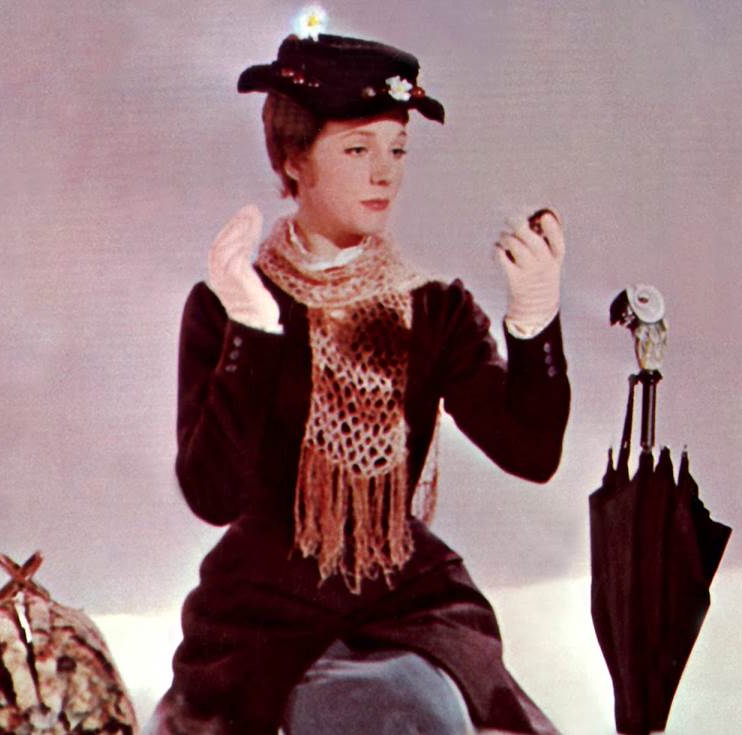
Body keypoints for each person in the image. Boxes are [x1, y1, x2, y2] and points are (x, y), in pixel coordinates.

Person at [150, 29, 570, 735]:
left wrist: (534, 321)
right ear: (294, 160)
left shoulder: (433, 309)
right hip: (263, 606)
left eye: (397, 150)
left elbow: (531, 452)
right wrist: (252, 329)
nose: (385, 175)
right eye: (357, 150)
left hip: (407, 596)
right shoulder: (229, 306)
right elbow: (211, 495)